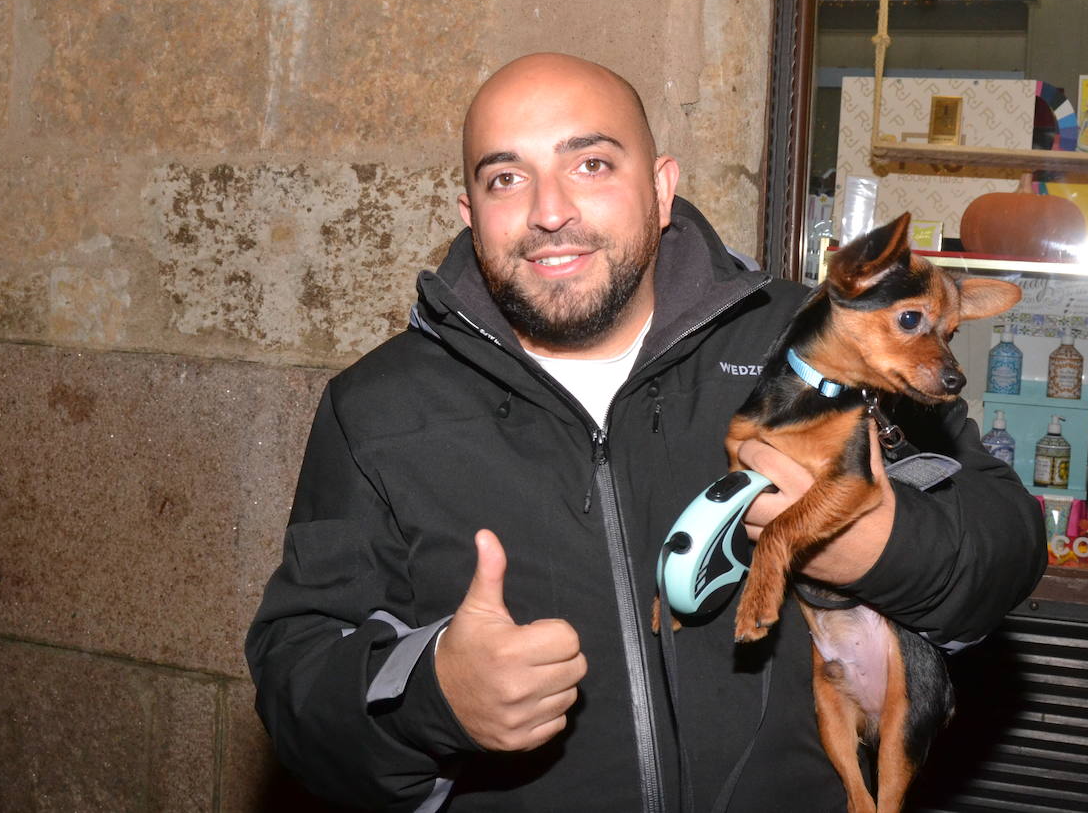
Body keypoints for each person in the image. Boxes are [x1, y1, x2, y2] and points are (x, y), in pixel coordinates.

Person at [246, 53, 1047, 812]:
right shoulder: (378, 407)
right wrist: (431, 700)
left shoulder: (813, 341)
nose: (549, 210)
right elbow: (297, 685)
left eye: (590, 164)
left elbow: (1006, 543)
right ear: (469, 213)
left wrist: (879, 544)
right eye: (505, 177)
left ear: (662, 190)